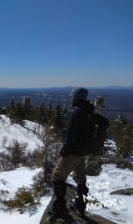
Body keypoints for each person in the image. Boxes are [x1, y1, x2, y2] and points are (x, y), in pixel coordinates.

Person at [51, 87, 93, 219]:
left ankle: (60, 209)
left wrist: (64, 152)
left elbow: (69, 135)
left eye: (71, 97)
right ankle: (81, 205)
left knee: (57, 177)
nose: (70, 100)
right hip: (82, 153)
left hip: (72, 152)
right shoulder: (88, 111)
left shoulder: (74, 113)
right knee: (81, 178)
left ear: (75, 98)